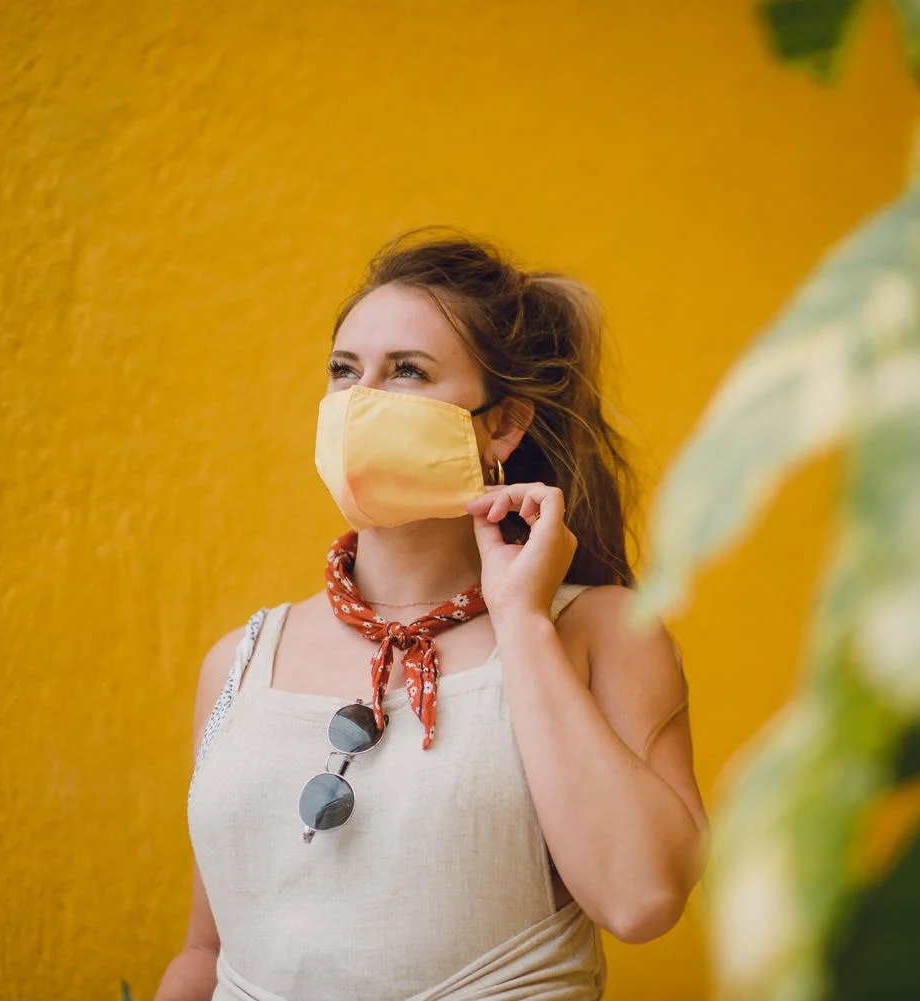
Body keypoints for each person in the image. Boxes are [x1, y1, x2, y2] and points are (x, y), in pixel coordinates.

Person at [155, 231, 708, 1001]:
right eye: (344, 370)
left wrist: (521, 623)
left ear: (503, 425)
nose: (359, 401)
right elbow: (205, 953)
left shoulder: (603, 631)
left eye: (406, 371)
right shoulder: (239, 660)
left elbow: (642, 897)